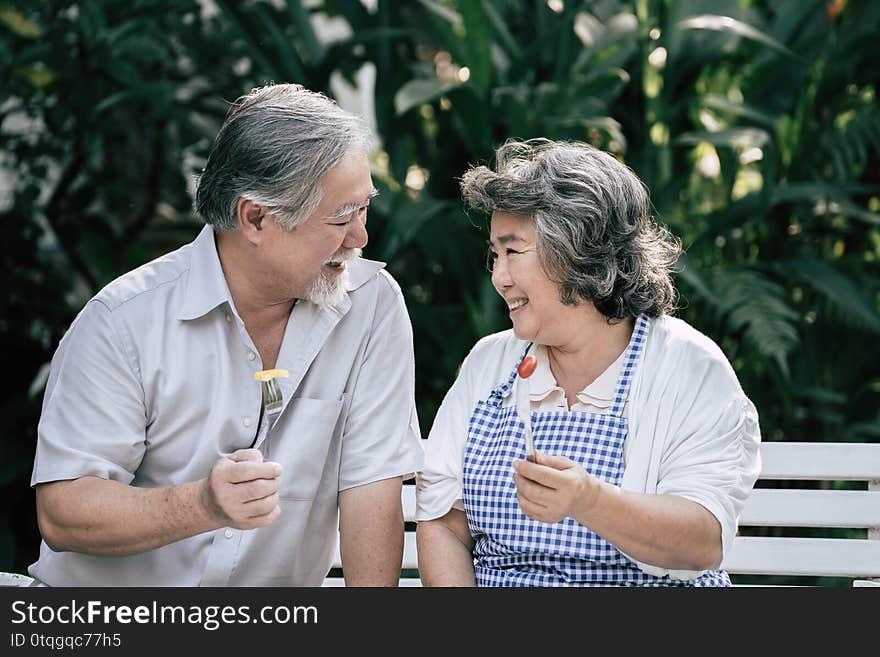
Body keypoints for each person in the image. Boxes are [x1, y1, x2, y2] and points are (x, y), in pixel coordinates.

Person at [29, 83, 424, 586]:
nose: (361, 238)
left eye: (363, 208)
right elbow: (64, 512)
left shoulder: (372, 304)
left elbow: (371, 484)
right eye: (341, 217)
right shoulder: (123, 320)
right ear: (255, 218)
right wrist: (203, 504)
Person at [416, 138, 761, 586]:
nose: (499, 278)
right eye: (494, 255)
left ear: (576, 252)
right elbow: (443, 523)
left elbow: (702, 542)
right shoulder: (489, 364)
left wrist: (589, 501)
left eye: (513, 251)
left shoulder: (689, 367)